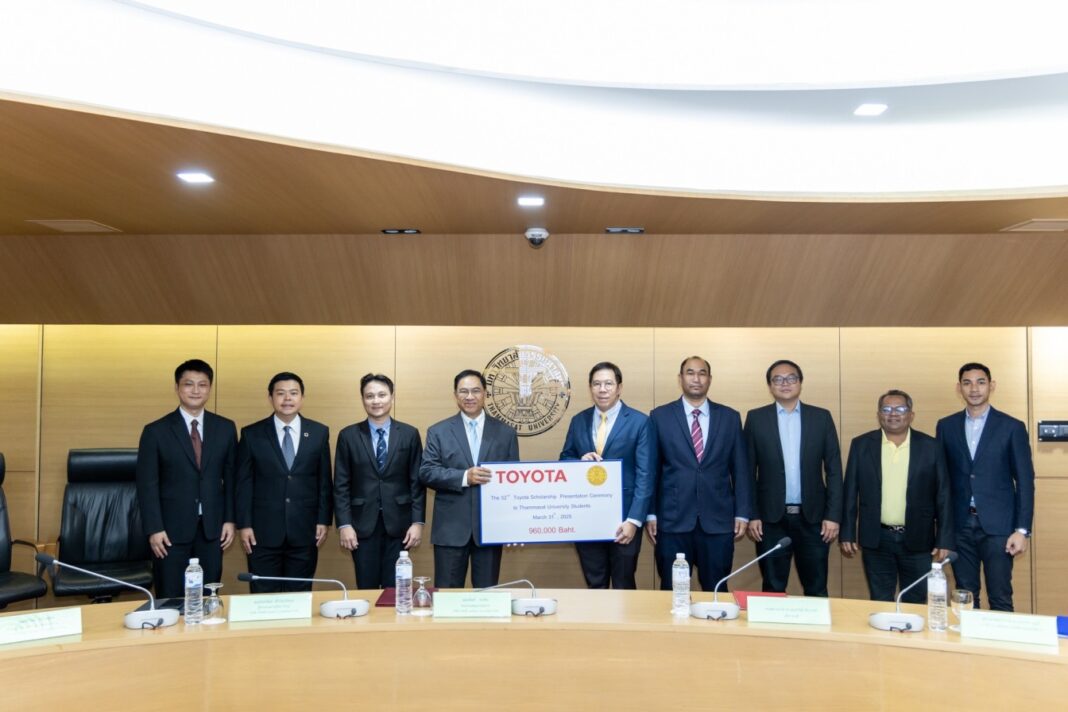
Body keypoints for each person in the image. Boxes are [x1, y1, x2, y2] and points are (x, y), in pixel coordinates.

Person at [647, 356, 752, 592]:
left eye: (702, 373)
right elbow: (652, 469)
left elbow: (741, 469)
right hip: (672, 521)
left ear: (710, 379)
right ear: (680, 378)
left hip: (718, 521)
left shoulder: (730, 417)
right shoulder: (660, 416)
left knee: (716, 590)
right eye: (690, 373)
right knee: (673, 591)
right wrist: (651, 513)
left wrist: (743, 513)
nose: (696, 378)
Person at [936, 362, 1034, 611]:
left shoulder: (1012, 427)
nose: (974, 389)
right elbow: (941, 481)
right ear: (959, 388)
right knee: (965, 597)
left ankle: (1002, 639)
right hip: (960, 526)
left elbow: (1024, 481)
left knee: (1000, 596)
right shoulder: (946, 426)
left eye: (981, 382)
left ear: (992, 386)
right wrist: (942, 531)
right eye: (967, 383)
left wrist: (1022, 530)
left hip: (999, 527)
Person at [135, 359, 236, 598]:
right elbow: (147, 485)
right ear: (177, 388)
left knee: (208, 596)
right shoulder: (155, 431)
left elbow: (232, 479)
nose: (195, 390)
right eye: (189, 384)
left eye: (202, 384)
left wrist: (230, 520)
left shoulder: (225, 428)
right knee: (170, 597)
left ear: (209, 389)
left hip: (212, 529)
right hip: (169, 532)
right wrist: (154, 529)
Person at [840, 390, 953, 603]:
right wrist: (847, 532)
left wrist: (945, 538)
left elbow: (943, 495)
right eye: (886, 409)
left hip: (918, 539)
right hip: (876, 539)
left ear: (911, 414)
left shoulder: (931, 447)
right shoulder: (861, 445)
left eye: (900, 409)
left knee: (916, 601)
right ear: (878, 414)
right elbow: (850, 492)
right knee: (880, 599)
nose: (893, 414)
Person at [744, 359, 842, 596]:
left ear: (800, 383)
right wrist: (753, 514)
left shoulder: (821, 417)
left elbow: (834, 470)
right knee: (772, 588)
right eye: (777, 379)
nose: (785, 383)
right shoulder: (756, 418)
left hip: (814, 520)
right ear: (770, 386)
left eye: (791, 378)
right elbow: (747, 472)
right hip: (770, 521)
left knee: (816, 587)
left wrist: (832, 516)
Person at [559, 362, 656, 589]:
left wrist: (634, 521)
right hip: (586, 517)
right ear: (590, 388)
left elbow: (645, 474)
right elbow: (564, 460)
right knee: (595, 584)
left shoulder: (640, 422)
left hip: (624, 520)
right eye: (597, 384)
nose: (602, 389)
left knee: (624, 584)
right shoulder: (578, 420)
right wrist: (579, 462)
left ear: (619, 387)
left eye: (608, 384)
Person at [420, 369, 519, 588]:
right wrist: (465, 476)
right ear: (455, 395)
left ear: (485, 394)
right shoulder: (438, 431)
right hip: (450, 530)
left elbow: (513, 483)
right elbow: (427, 471)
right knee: (447, 596)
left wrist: (512, 524)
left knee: (487, 596)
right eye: (463, 391)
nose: (470, 396)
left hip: (490, 529)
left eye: (476, 391)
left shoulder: (506, 433)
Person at [235, 372, 332, 593]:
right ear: (270, 398)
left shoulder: (318, 432)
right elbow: (244, 483)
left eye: (293, 393)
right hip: (262, 533)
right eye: (280, 393)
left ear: (302, 398)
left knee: (299, 595)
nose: (287, 399)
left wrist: (323, 520)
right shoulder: (251, 434)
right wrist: (245, 524)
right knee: (263, 596)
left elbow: (324, 481)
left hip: (305, 530)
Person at [334, 373, 425, 589]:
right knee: (366, 585)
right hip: (361, 525)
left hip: (400, 525)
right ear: (363, 399)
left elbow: (417, 482)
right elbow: (341, 485)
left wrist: (417, 523)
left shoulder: (409, 434)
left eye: (382, 395)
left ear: (392, 397)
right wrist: (344, 525)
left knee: (396, 588)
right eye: (370, 396)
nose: (376, 401)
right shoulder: (348, 435)